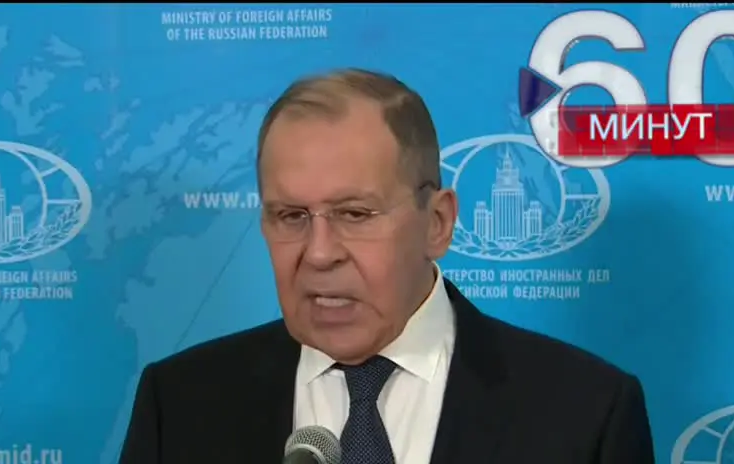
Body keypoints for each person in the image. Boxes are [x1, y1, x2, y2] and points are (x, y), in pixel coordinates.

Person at [119, 68, 656, 464]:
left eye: (355, 214)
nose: (320, 252)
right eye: (291, 216)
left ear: (437, 223)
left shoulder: (585, 414)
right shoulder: (181, 405)